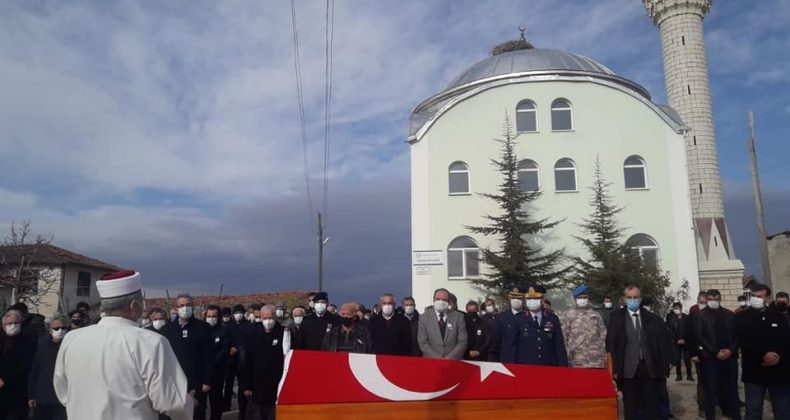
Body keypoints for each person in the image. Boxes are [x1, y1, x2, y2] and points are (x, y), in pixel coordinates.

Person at [53, 271, 192, 419]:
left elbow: (63, 391)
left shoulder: (72, 338)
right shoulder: (150, 342)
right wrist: (189, 404)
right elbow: (174, 403)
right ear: (134, 305)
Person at [606, 284, 673, 420]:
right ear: (624, 299)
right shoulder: (616, 318)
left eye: (635, 297)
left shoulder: (653, 319)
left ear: (640, 298)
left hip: (649, 368)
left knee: (651, 406)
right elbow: (611, 344)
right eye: (629, 297)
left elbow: (663, 344)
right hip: (627, 369)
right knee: (631, 407)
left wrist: (665, 366)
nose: (632, 300)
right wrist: (614, 369)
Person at [736, 283, 790, 419]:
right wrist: (763, 355)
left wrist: (777, 356)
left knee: (783, 410)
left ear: (767, 298)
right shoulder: (742, 317)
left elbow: (785, 339)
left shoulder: (778, 316)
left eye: (759, 296)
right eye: (753, 296)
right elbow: (744, 341)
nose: (756, 299)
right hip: (754, 371)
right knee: (753, 411)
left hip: (778, 372)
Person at [163, 293, 214, 420]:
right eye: (181, 305)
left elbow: (209, 356)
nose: (184, 308)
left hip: (196, 381)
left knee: (197, 414)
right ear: (176, 308)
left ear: (193, 307)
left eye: (187, 305)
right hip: (175, 381)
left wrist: (207, 381)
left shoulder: (203, 327)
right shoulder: (168, 329)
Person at [694, 289, 741, 420]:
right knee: (711, 390)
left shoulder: (729, 314)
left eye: (716, 299)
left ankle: (735, 415)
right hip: (710, 358)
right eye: (710, 299)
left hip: (729, 357)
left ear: (720, 299)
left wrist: (730, 350)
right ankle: (710, 416)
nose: (713, 302)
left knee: (732, 389)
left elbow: (737, 336)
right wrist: (715, 352)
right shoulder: (700, 315)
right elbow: (699, 336)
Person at [242, 305, 289, 420]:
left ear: (275, 317)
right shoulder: (253, 333)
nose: (268, 321)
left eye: (270, 317)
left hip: (276, 385)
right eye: (265, 318)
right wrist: (246, 385)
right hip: (257, 386)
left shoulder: (284, 333)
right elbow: (247, 361)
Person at [504, 286, 568, 366]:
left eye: (536, 299)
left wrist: (563, 367)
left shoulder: (552, 319)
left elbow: (559, 346)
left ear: (542, 300)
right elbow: (511, 347)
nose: (532, 301)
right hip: (525, 368)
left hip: (548, 367)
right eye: (529, 299)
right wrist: (511, 368)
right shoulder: (518, 319)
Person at [28, 314, 69, 420]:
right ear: (50, 330)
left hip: (64, 397)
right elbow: (34, 370)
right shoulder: (42, 344)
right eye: (56, 328)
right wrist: (31, 395)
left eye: (63, 328)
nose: (59, 331)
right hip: (44, 396)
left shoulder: (71, 344)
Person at [0, 309, 37, 420]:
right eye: (10, 323)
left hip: (17, 392)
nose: (13, 325)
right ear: (3, 326)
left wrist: (5, 379)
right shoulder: (2, 339)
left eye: (16, 323)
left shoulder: (28, 341)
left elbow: (25, 365)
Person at [417, 288, 467, 360]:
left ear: (449, 302)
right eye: (438, 299)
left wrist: (448, 358)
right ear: (434, 300)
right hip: (431, 362)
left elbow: (462, 342)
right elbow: (423, 343)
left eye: (444, 300)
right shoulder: (424, 318)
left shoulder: (458, 317)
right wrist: (438, 359)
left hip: (453, 362)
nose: (441, 302)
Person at [563, 285, 606, 368]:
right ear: (575, 299)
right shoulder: (569, 315)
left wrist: (602, 352)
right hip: (577, 360)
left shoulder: (595, 314)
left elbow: (603, 334)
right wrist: (567, 354)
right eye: (580, 297)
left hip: (596, 360)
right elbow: (564, 336)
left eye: (584, 297)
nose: (582, 299)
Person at [205, 305, 229, 420]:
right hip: (203, 373)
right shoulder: (202, 330)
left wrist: (211, 362)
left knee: (216, 401)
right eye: (209, 316)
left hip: (217, 371)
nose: (211, 318)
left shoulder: (223, 331)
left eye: (214, 316)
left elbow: (224, 350)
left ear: (218, 317)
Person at [686, 292, 708, 418]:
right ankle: (703, 406)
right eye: (701, 302)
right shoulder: (692, 316)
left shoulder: (714, 315)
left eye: (705, 302)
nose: (703, 305)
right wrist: (693, 354)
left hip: (713, 354)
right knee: (702, 381)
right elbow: (689, 336)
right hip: (699, 354)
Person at [225, 304, 249, 417]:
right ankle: (226, 404)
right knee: (228, 384)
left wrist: (239, 348)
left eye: (240, 312)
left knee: (242, 385)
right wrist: (230, 347)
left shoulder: (248, 325)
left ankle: (243, 409)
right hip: (230, 360)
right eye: (236, 312)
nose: (238, 315)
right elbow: (226, 339)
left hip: (243, 361)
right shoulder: (229, 325)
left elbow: (249, 341)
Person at [495, 288, 526, 363]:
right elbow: (496, 341)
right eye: (513, 298)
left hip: (525, 360)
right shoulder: (502, 317)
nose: (516, 300)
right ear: (509, 299)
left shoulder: (528, 316)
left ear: (524, 299)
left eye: (519, 298)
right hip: (507, 360)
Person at [666, 302, 694, 382]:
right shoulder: (671, 319)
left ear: (681, 308)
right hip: (676, 342)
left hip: (686, 341)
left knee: (687, 358)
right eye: (675, 309)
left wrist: (684, 339)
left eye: (677, 308)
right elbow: (670, 331)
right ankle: (679, 376)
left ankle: (689, 375)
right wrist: (676, 340)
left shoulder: (686, 317)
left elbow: (689, 330)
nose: (676, 310)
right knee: (677, 359)